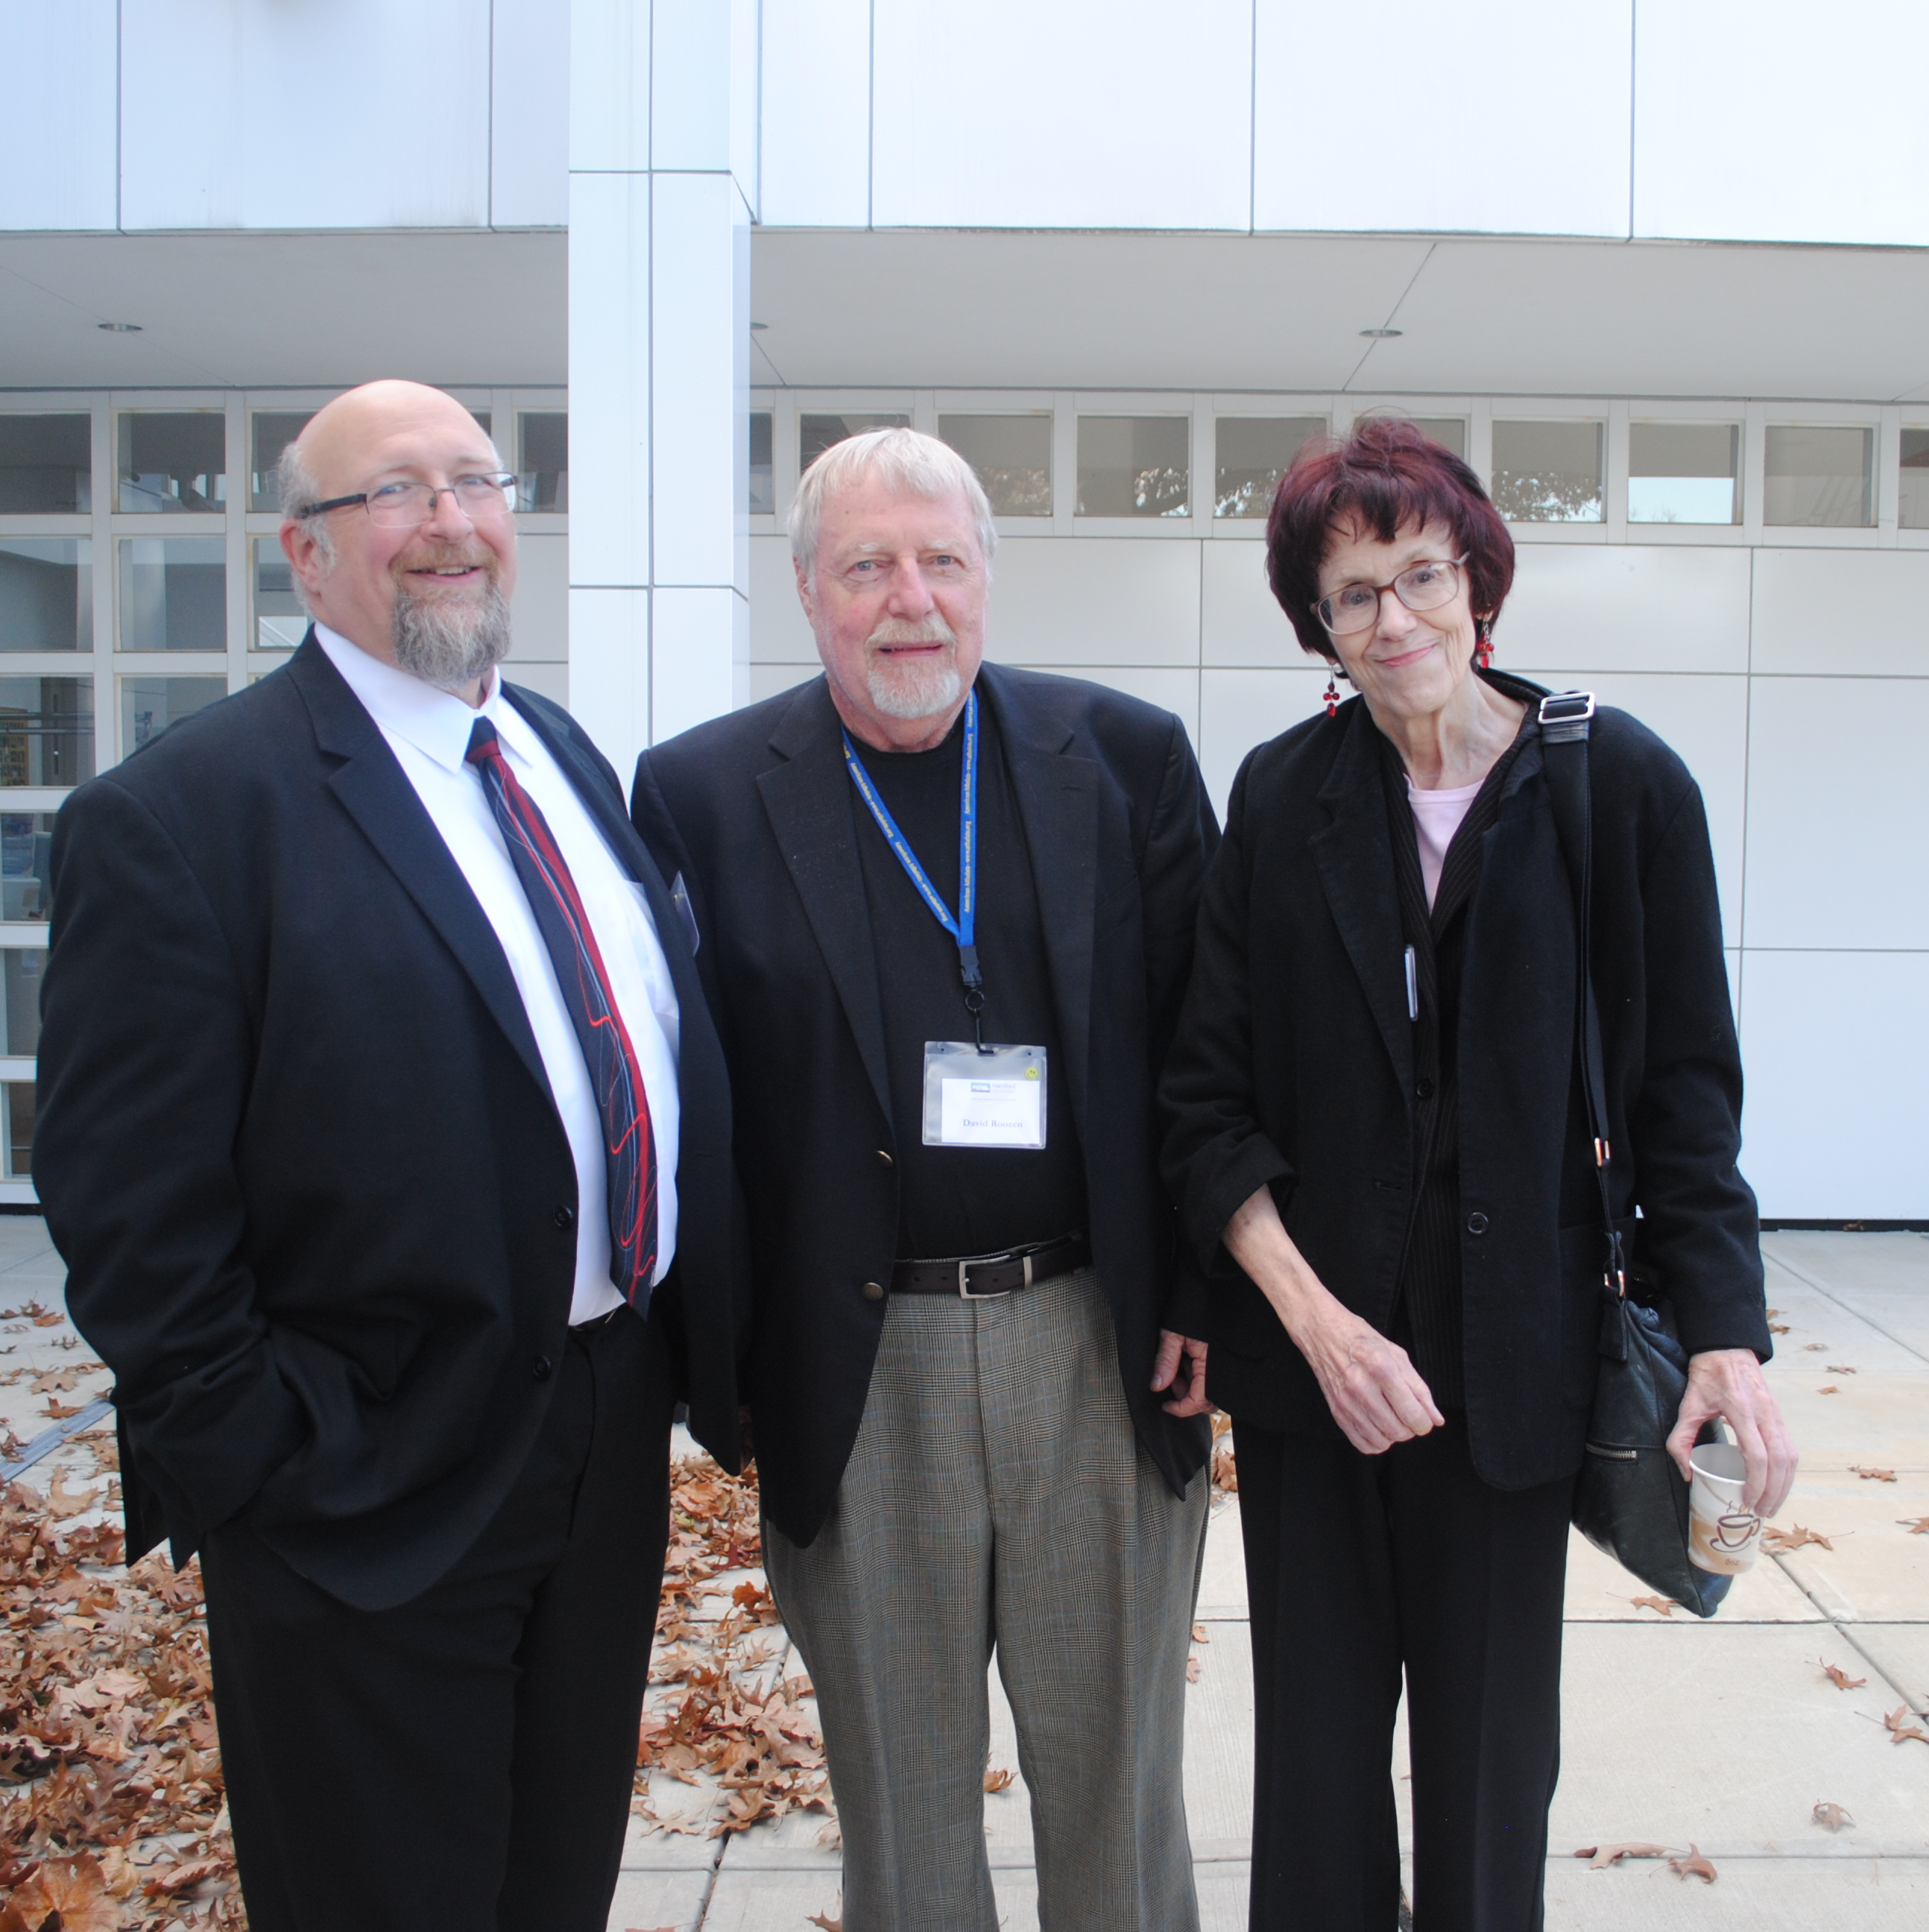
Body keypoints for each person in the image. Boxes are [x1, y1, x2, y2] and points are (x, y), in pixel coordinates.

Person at [36, 379, 743, 1931]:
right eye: (396, 494)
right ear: (305, 551)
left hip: (597, 1436)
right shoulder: (183, 818)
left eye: (476, 484)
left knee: (553, 1883)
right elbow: (125, 1205)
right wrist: (268, 1461)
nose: (449, 524)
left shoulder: (553, 753)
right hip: (361, 1478)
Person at [1159, 417, 1795, 1930]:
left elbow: (1683, 1101)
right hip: (1316, 1377)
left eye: (1420, 576)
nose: (1395, 621)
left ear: (1478, 582)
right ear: (1318, 627)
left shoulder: (1613, 786)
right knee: (1313, 1777)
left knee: (1490, 1774)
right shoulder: (1279, 796)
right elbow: (1203, 1101)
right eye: (1354, 594)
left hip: (1516, 1375)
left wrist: (1726, 1334)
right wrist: (1313, 1329)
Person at [631, 427, 1213, 1931]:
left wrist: (1207, 1293)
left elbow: (1211, 1056)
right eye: (866, 566)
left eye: (941, 561)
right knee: (899, 1800)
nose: (910, 600)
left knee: (1119, 1789)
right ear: (808, 591)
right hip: (856, 1359)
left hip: (1095, 1339)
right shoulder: (697, 793)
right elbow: (683, 1107)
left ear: (987, 583)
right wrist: (722, 1366)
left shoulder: (1126, 760)